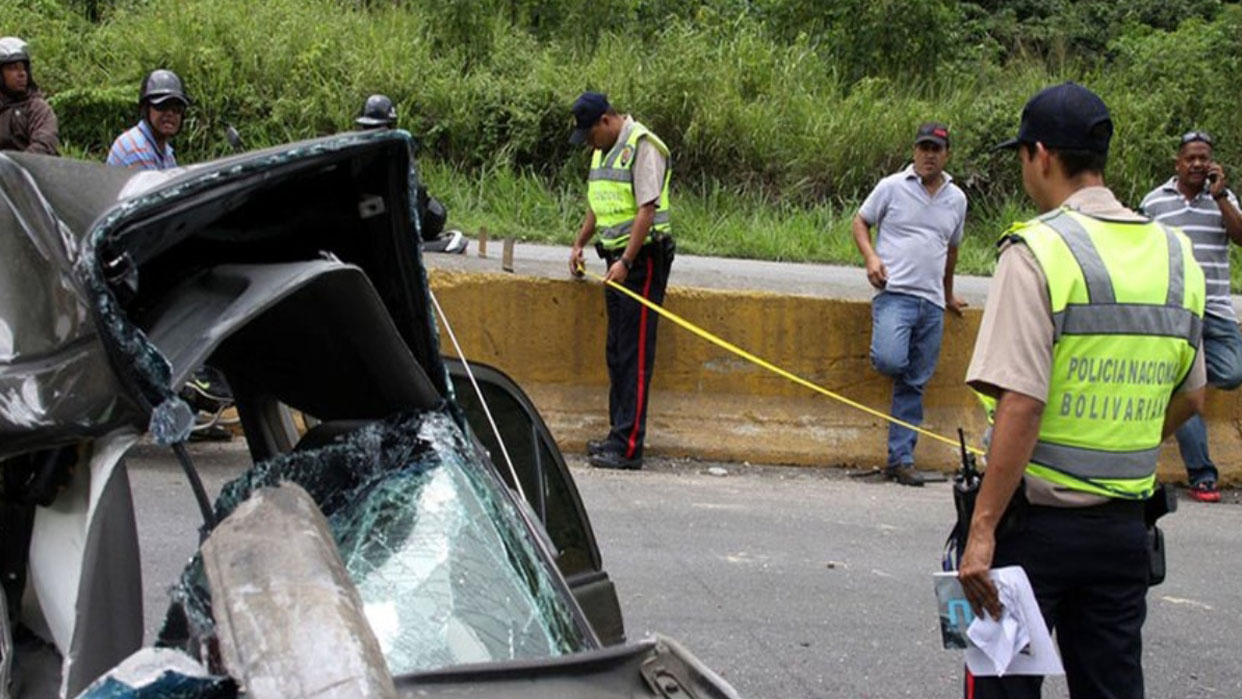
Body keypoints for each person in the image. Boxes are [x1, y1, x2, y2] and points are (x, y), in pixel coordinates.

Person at [958, 82, 1206, 698]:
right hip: (1124, 530)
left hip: (1032, 530)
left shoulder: (1037, 249)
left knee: (1002, 688)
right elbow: (1194, 398)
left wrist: (981, 530)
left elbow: (1021, 401)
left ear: (1041, 155)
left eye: (1021, 156)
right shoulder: (1177, 256)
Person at [852, 122, 968, 486]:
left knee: (915, 383)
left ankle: (901, 460)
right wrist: (871, 258)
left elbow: (951, 250)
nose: (928, 155)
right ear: (914, 150)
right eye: (923, 148)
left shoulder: (957, 199)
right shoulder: (891, 187)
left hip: (931, 303)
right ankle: (899, 456)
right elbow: (860, 222)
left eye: (935, 149)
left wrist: (948, 294)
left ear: (946, 154)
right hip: (895, 293)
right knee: (890, 359)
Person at [567, 91, 674, 471]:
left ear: (606, 121)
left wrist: (627, 261)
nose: (588, 144)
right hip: (615, 259)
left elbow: (648, 208)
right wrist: (579, 243)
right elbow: (598, 205)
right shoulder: (602, 150)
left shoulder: (642, 145)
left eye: (590, 134)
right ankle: (618, 434)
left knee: (635, 353)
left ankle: (630, 446)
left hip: (643, 260)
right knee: (616, 351)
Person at [1138, 131, 1242, 503]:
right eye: (1191, 158)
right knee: (1190, 386)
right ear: (1177, 163)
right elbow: (1142, 250)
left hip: (1214, 308)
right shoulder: (1154, 202)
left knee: (1232, 372)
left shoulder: (1224, 200)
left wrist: (1220, 197)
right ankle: (1202, 475)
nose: (1198, 164)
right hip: (1176, 311)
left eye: (1204, 158)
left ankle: (1177, 385)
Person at [353, 93, 463, 253]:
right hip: (373, 213)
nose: (372, 133)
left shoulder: (398, 151)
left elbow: (413, 189)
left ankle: (412, 237)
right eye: (368, 128)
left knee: (435, 210)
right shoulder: (356, 154)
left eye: (377, 128)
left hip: (400, 213)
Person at [106, 69, 189, 170]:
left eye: (177, 108)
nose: (170, 113)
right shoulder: (136, 149)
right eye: (162, 105)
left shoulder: (166, 152)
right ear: (146, 109)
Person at [0, 36, 59, 155]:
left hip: (31, 170)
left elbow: (45, 144)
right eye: (13, 68)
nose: (21, 74)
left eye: (23, 68)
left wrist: (12, 168)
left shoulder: (37, 108)